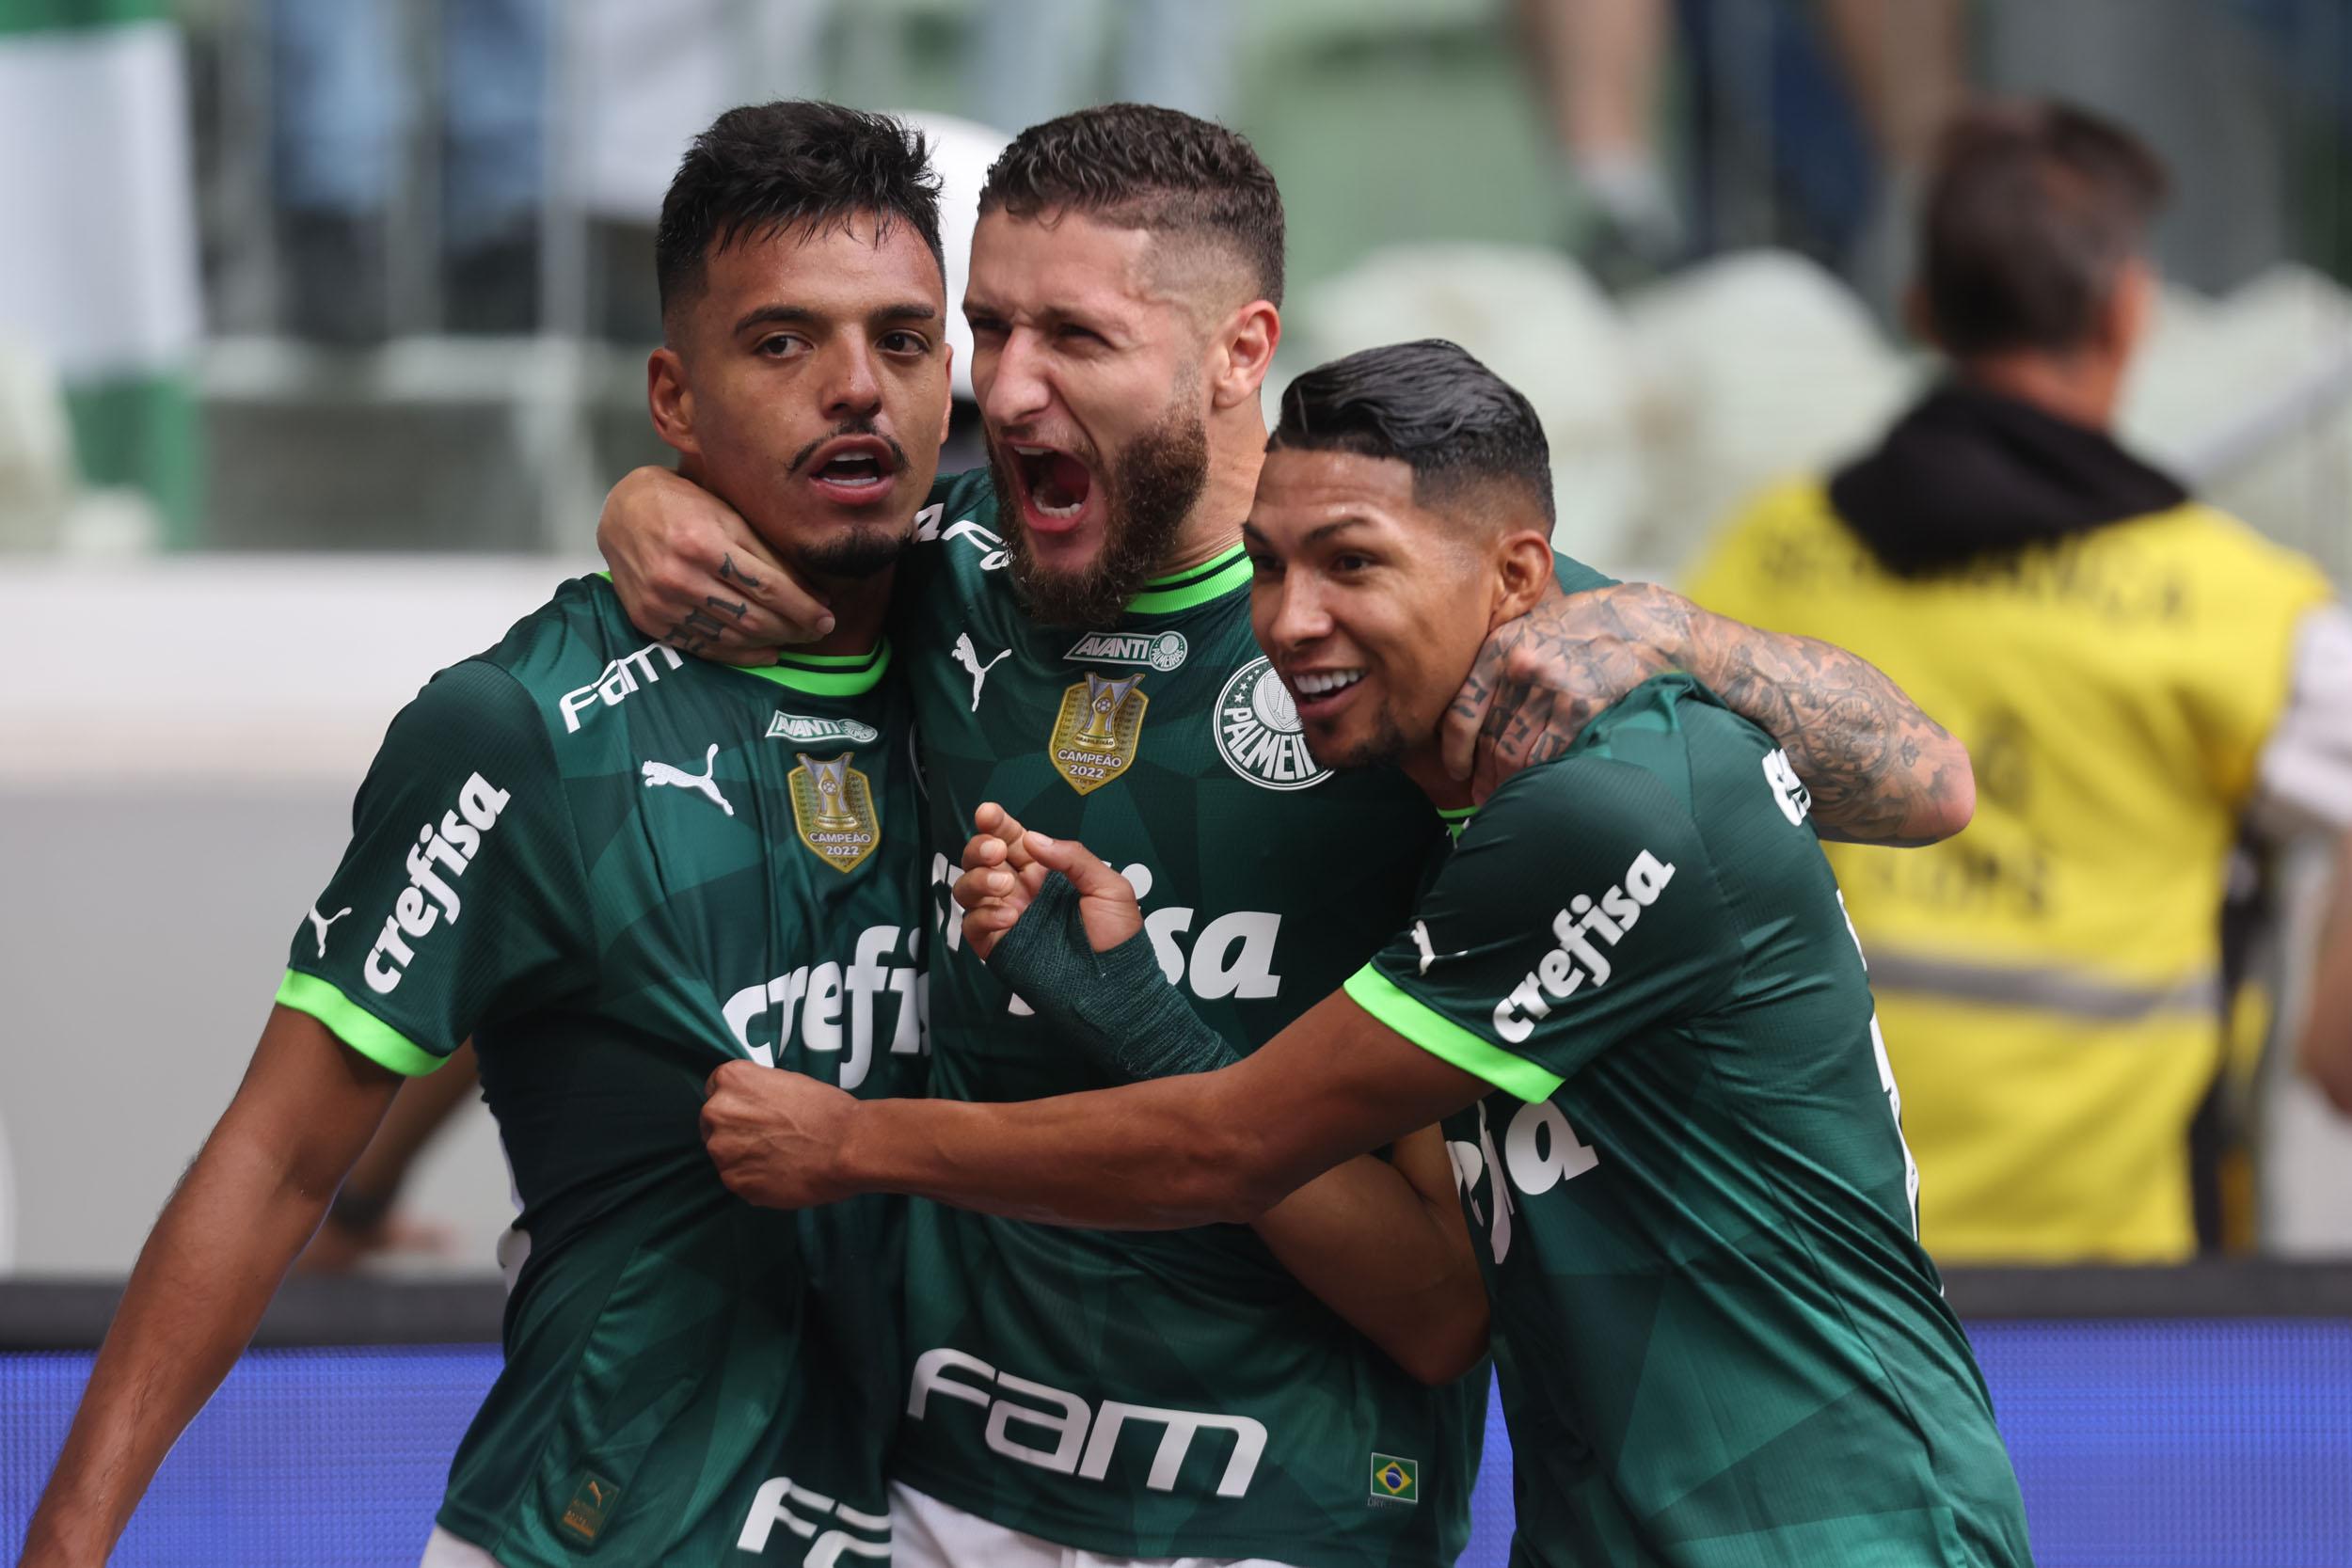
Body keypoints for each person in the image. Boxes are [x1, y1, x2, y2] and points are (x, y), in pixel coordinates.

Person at [603, 103, 1976, 1568]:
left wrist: (1681, 623)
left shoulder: (1435, 632)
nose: (1004, 390)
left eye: (1071, 336)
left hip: (1313, 1497)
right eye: (985, 328)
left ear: (1239, 352)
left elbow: (1927, 783)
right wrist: (646, 504)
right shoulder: (944, 571)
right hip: (960, 1483)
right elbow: (726, 522)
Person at [22, 100, 952, 1567]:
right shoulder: (526, 725)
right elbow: (274, 1152)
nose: (858, 389)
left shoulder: (1003, 656)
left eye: (904, 341)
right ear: (673, 394)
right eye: (782, 343)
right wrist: (68, 1541)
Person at [1682, 100, 2352, 1264]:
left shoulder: (1760, 560)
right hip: (2127, 1312)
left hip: (1810, 1272)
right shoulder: (2251, 614)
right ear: (2127, 309)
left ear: (1920, 311)